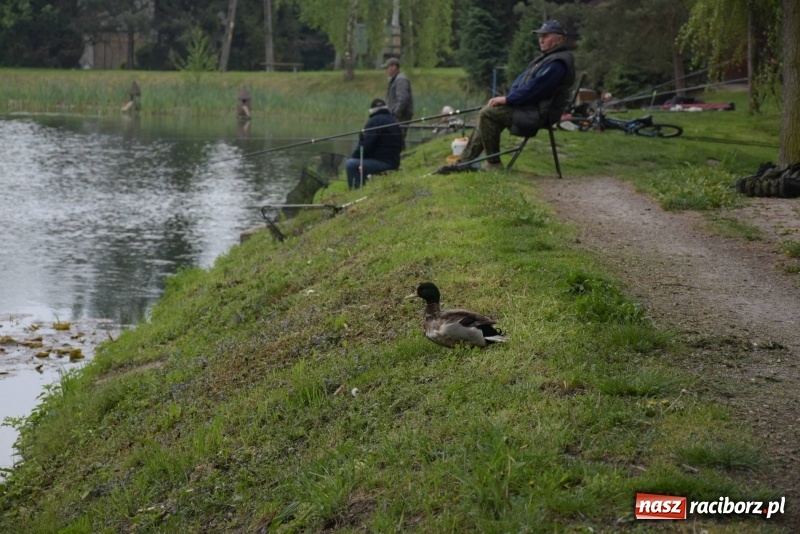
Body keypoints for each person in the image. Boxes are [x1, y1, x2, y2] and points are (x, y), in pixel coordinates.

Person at [437, 20, 575, 173]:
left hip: (538, 113)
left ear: (559, 39)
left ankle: (492, 164)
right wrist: (508, 98)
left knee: (488, 114)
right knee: (488, 111)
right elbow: (524, 84)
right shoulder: (548, 58)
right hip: (528, 107)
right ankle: (463, 163)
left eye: (545, 36)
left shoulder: (557, 63)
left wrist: (508, 100)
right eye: (540, 36)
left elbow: (534, 90)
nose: (541, 40)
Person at [345, 98, 403, 189]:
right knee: (358, 162)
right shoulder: (393, 120)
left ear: (371, 110)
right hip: (394, 162)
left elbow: (366, 145)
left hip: (384, 163)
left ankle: (356, 191)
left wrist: (354, 157)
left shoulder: (374, 121)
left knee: (351, 164)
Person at [381, 57, 414, 149]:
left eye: (388, 67)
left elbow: (403, 99)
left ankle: (401, 155)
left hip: (401, 116)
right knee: (395, 138)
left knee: (397, 138)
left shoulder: (400, 80)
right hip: (396, 115)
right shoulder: (396, 79)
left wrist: (396, 113)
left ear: (394, 67)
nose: (387, 70)